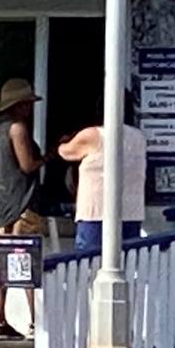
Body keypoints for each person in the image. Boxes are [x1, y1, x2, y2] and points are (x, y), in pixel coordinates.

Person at [0, 78, 45, 340]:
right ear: (18, 106)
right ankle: (35, 321)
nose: (30, 108)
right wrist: (50, 155)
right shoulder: (17, 129)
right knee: (24, 256)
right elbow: (27, 165)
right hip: (18, 200)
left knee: (3, 261)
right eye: (27, 103)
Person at [58, 94, 148, 254]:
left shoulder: (93, 135)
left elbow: (66, 152)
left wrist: (64, 141)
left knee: (88, 263)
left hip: (96, 212)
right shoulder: (139, 137)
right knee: (128, 261)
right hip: (130, 211)